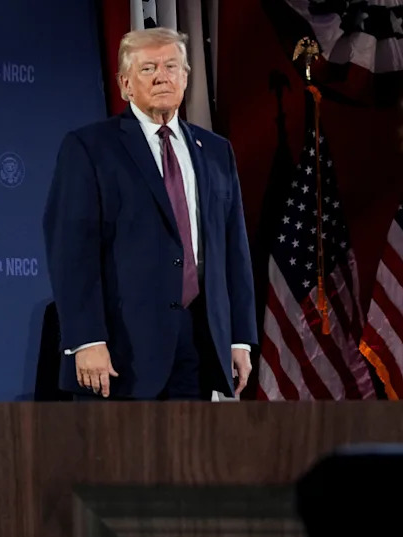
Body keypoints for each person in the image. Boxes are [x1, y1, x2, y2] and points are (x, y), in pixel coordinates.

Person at [42, 27, 256, 401]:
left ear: (185, 77)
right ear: (125, 84)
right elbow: (71, 251)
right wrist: (86, 339)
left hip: (198, 344)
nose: (162, 76)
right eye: (148, 68)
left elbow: (234, 250)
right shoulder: (91, 147)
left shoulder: (216, 151)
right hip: (119, 350)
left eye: (171, 66)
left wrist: (239, 338)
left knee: (188, 443)